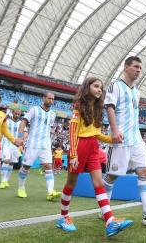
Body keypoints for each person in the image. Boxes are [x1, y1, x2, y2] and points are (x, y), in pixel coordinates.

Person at [56, 77, 133, 236]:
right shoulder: (78, 105)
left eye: (101, 87)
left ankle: (110, 221)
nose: (99, 89)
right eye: (96, 86)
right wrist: (73, 154)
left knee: (99, 182)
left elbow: (96, 134)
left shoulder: (98, 108)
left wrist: (112, 138)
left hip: (93, 148)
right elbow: (73, 131)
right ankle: (63, 217)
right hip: (79, 146)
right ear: (87, 87)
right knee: (71, 183)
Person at [103, 56, 146, 226]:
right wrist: (115, 130)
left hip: (137, 140)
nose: (139, 70)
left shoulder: (136, 91)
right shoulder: (115, 86)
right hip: (119, 140)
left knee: (145, 172)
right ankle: (104, 209)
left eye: (140, 67)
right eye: (136, 66)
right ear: (126, 67)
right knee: (112, 176)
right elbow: (109, 107)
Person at [17, 92, 61, 201]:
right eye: (49, 98)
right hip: (33, 143)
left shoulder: (53, 114)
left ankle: (50, 192)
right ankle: (21, 188)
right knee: (26, 167)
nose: (51, 100)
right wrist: (20, 137)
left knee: (48, 166)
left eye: (52, 99)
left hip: (45, 144)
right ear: (44, 98)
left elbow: (48, 128)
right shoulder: (34, 109)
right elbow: (23, 122)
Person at [0, 108, 22, 189]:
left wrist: (21, 141)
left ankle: (6, 180)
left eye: (19, 114)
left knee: (11, 163)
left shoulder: (21, 123)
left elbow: (24, 133)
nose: (17, 115)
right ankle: (2, 181)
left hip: (15, 145)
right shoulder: (7, 121)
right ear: (12, 112)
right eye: (16, 113)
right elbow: (1, 131)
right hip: (6, 143)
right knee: (6, 160)